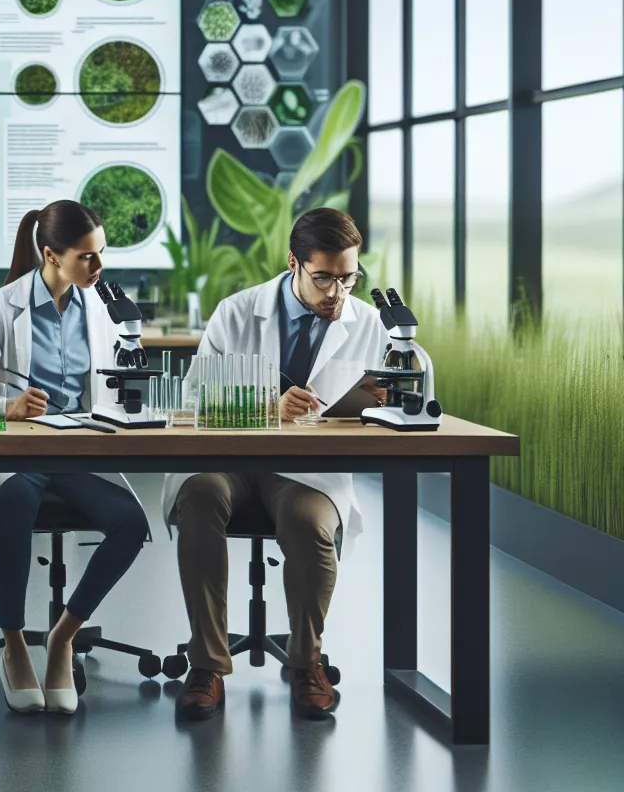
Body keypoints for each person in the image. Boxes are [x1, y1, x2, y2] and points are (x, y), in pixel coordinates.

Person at [166, 208, 434, 723]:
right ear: (294, 263)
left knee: (310, 522)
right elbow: (192, 397)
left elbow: (406, 390)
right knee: (198, 498)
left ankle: (307, 662)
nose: (338, 292)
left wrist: (390, 391)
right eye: (324, 278)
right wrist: (267, 404)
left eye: (349, 277)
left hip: (307, 468)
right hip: (231, 460)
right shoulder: (238, 311)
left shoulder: (370, 323)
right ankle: (207, 666)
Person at [0, 201, 154, 714]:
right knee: (15, 496)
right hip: (21, 453)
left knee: (130, 522)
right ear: (51, 255)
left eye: (102, 254)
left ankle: (62, 636)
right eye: (88, 258)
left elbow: (111, 387)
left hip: (77, 451)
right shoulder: (6, 305)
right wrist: (8, 407)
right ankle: (14, 643)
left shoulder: (102, 308)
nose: (99, 267)